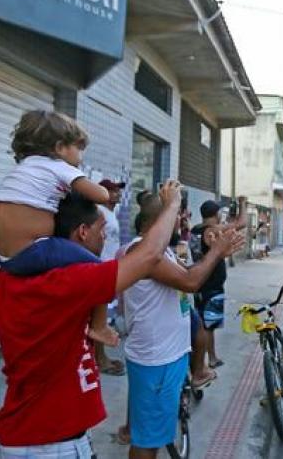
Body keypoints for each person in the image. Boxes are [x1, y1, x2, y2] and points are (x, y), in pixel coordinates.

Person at [0, 181, 184, 458]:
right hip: (50, 443)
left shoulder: (10, 278)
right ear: (82, 232)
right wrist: (173, 204)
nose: (105, 239)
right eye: (101, 231)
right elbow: (149, 255)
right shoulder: (65, 282)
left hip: (33, 434)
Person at [120, 192, 242, 458]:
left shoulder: (156, 250)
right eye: (177, 215)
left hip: (165, 355)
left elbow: (186, 274)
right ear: (160, 219)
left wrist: (213, 253)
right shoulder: (144, 252)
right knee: (147, 442)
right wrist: (217, 252)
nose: (182, 220)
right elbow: (190, 282)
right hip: (158, 359)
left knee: (150, 431)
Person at [0, 109, 116, 347]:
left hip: (3, 256)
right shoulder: (59, 167)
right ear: (60, 148)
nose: (80, 155)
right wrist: (87, 183)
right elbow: (101, 195)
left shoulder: (25, 167)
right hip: (30, 251)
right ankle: (99, 327)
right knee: (100, 269)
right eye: (79, 148)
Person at [191, 197, 246, 368]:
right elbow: (242, 222)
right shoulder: (211, 231)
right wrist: (243, 204)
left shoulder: (196, 230)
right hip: (211, 285)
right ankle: (211, 359)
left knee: (204, 323)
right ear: (216, 214)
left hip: (201, 281)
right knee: (209, 325)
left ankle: (209, 357)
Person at [97, 178, 127, 376]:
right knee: (100, 319)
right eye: (113, 190)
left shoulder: (111, 213)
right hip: (100, 268)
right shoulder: (99, 212)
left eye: (118, 190)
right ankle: (100, 359)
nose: (117, 194)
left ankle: (100, 357)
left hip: (109, 269)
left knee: (104, 317)